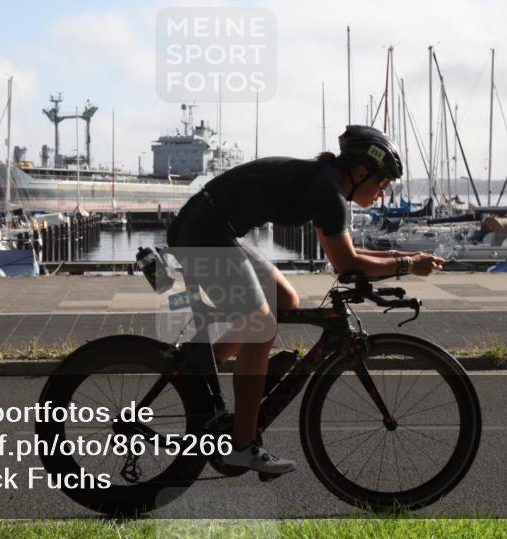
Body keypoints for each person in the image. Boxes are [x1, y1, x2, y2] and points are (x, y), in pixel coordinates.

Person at [167, 125, 443, 475]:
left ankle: (200, 367)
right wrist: (407, 265)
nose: (383, 192)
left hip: (211, 226)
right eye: (383, 182)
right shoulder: (328, 192)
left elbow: (345, 255)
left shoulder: (326, 185)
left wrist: (405, 257)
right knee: (261, 325)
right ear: (361, 172)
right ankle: (241, 446)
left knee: (285, 298)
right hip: (204, 232)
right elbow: (346, 264)